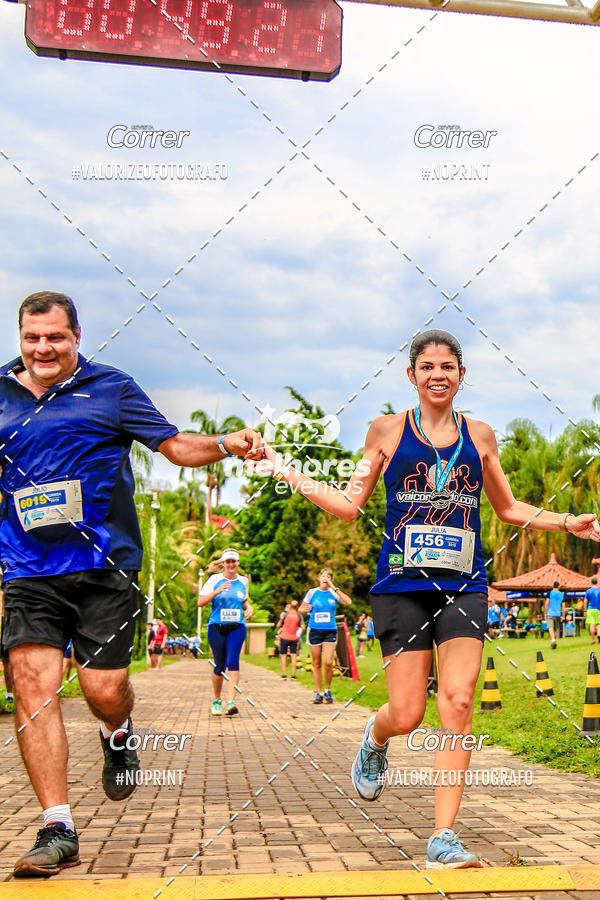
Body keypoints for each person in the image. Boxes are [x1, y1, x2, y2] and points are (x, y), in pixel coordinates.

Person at [262, 328, 600, 868]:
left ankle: (443, 837)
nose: (438, 375)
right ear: (412, 376)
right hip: (401, 587)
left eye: (448, 366)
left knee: (460, 704)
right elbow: (351, 504)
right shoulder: (386, 433)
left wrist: (566, 522)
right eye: (428, 367)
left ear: (461, 376)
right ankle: (376, 738)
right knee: (407, 712)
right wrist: (285, 467)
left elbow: (508, 508)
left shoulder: (481, 437)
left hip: (464, 585)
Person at [0, 291, 263, 878]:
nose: (43, 349)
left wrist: (227, 443)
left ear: (76, 336)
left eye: (55, 338)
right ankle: (56, 825)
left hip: (105, 569)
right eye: (32, 338)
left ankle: (117, 732)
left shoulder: (112, 388)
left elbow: (174, 448)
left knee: (104, 690)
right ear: (20, 338)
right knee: (31, 686)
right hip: (26, 570)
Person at [198, 549, 253, 716]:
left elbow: (243, 600)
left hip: (237, 627)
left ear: (237, 563)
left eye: (234, 561)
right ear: (223, 563)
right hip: (217, 627)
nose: (231, 564)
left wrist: (248, 608)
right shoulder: (214, 580)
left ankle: (231, 702)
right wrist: (217, 590)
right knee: (219, 666)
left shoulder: (243, 581)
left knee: (233, 662)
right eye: (228, 562)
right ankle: (216, 700)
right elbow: (200, 602)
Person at [299, 568, 352, 703]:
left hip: (330, 630)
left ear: (331, 579)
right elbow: (301, 609)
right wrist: (305, 609)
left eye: (328, 576)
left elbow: (348, 602)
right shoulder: (312, 592)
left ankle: (327, 690)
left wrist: (334, 587)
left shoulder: (333, 593)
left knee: (328, 662)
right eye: (323, 576)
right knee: (316, 663)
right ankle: (319, 692)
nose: (325, 578)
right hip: (314, 630)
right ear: (319, 578)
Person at [276, 599, 304, 678]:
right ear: (297, 607)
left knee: (283, 655)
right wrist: (299, 636)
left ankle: (284, 674)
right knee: (293, 655)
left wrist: (281, 621)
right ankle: (293, 675)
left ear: (290, 606)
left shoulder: (285, 615)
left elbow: (278, 625)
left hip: (284, 637)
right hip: (294, 638)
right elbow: (303, 627)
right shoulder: (299, 616)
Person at [545, 582, 565, 649]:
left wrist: (545, 612)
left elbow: (547, 603)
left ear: (553, 586)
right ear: (559, 586)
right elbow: (563, 606)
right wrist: (563, 615)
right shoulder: (562, 594)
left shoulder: (550, 593)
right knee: (556, 629)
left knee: (550, 628)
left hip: (550, 613)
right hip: (558, 614)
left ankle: (553, 640)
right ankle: (554, 641)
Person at [585, 577, 600, 644]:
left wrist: (585, 610)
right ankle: (599, 634)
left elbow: (585, 601)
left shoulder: (588, 591)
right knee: (598, 624)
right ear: (597, 582)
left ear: (591, 582)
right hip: (598, 609)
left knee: (592, 624)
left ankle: (593, 640)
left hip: (590, 609)